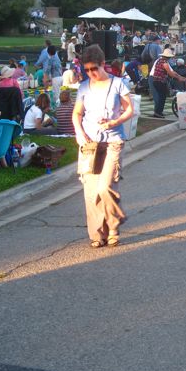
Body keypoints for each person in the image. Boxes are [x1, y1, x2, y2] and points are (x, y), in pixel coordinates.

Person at [72, 45, 133, 248]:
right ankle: (98, 234)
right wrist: (79, 134)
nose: (91, 73)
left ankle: (114, 227)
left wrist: (114, 122)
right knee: (91, 193)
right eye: (87, 70)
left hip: (112, 140)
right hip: (89, 144)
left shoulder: (118, 84)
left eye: (94, 69)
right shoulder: (83, 87)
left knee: (105, 187)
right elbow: (77, 114)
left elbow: (129, 110)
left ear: (103, 64)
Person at [149, 48, 185, 118]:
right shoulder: (165, 63)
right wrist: (179, 78)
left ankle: (158, 112)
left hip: (157, 81)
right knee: (161, 97)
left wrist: (180, 76)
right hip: (159, 81)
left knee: (161, 97)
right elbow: (171, 74)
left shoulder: (160, 60)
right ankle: (158, 112)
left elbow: (173, 72)